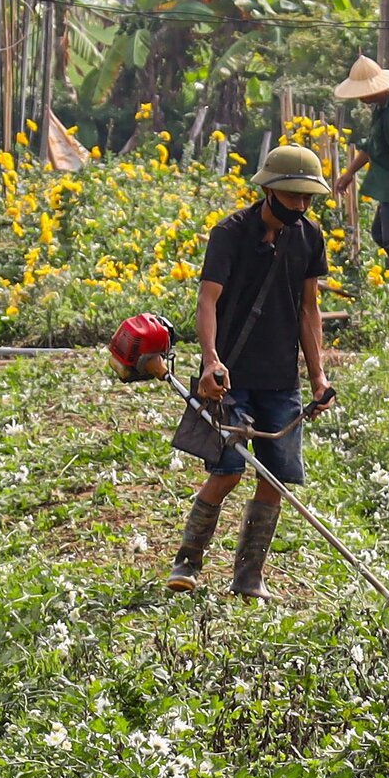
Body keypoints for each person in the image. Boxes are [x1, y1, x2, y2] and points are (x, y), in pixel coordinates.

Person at [166, 144, 335, 599]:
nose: (301, 205)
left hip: (281, 380)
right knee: (227, 470)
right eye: (294, 196)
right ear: (269, 191)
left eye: (308, 198)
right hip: (231, 377)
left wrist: (317, 377)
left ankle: (247, 576)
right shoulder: (230, 234)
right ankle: (188, 561)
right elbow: (208, 301)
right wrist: (210, 360)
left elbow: (309, 309)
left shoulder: (308, 237)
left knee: (275, 478)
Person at [333, 54, 389, 272]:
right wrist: (349, 174)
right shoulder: (382, 106)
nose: (360, 98)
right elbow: (373, 145)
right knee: (381, 234)